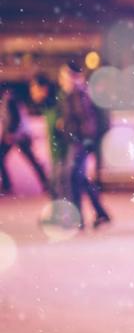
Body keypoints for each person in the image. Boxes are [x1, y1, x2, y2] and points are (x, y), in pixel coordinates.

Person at [58, 63, 111, 229]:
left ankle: (79, 218)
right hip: (78, 142)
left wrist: (86, 146)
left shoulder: (78, 94)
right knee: (79, 180)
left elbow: (86, 122)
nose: (62, 80)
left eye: (64, 76)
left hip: (78, 143)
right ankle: (99, 214)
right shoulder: (75, 94)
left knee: (72, 179)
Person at [0, 86, 51, 195]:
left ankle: (7, 185)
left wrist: (10, 132)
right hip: (19, 135)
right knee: (32, 160)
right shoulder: (11, 99)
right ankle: (46, 183)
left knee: (30, 159)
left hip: (17, 135)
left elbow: (14, 118)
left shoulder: (8, 100)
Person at [29, 74, 67, 200]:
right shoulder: (47, 106)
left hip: (63, 154)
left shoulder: (58, 104)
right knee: (58, 186)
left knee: (57, 187)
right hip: (57, 154)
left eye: (35, 90)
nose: (33, 95)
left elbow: (65, 129)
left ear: (44, 89)